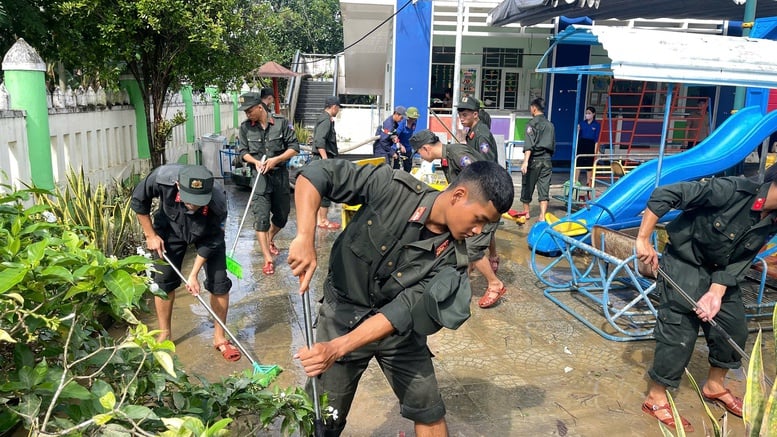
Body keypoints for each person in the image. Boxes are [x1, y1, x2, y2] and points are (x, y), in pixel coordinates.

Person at [288, 158, 514, 436]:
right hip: (341, 316)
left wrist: (337, 348)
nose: (478, 231)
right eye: (479, 219)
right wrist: (303, 236)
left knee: (430, 412)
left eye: (486, 225)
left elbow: (401, 312)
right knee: (320, 420)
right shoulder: (391, 187)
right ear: (458, 195)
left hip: (398, 333)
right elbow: (314, 174)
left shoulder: (452, 262)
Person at [636, 164, 777, 432]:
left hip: (721, 274)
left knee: (734, 327)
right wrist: (642, 239)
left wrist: (716, 292)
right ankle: (655, 397)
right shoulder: (731, 190)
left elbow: (744, 257)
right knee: (679, 332)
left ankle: (714, 386)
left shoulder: (772, 219)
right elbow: (663, 194)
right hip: (686, 262)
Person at [131, 164, 239, 362]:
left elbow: (212, 241)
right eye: (190, 201)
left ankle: (219, 336)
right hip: (169, 230)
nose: (194, 206)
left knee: (220, 283)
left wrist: (193, 274)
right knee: (163, 282)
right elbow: (139, 201)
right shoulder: (162, 178)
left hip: (207, 234)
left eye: (199, 202)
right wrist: (150, 235)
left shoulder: (218, 202)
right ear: (178, 186)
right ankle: (165, 333)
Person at [411, 129, 510, 309]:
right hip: (484, 209)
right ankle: (480, 265)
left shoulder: (457, 154)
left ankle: (495, 284)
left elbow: (480, 179)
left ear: (425, 148)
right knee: (477, 238)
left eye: (418, 152)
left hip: (486, 207)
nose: (420, 156)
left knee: (472, 248)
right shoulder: (449, 155)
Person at [237, 91, 299, 275]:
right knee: (260, 219)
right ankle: (267, 259)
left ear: (259, 107)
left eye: (249, 111)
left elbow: (294, 147)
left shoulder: (280, 123)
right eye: (245, 112)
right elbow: (242, 152)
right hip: (260, 179)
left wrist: (276, 160)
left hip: (279, 177)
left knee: (282, 216)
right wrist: (255, 162)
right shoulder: (245, 128)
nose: (247, 115)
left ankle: (270, 237)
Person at [457, 96, 501, 275]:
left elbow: (487, 162)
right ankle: (493, 256)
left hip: (486, 188)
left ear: (475, 114)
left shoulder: (481, 133)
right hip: (480, 186)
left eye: (465, 113)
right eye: (460, 113)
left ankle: (470, 269)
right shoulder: (473, 131)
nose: (461, 117)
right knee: (486, 226)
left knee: (477, 230)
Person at [518, 97, 555, 222]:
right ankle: (542, 216)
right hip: (547, 160)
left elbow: (529, 144)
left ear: (534, 108)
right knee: (544, 188)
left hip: (534, 159)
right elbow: (553, 144)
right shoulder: (550, 125)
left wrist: (525, 162)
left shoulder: (531, 124)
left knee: (527, 186)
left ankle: (526, 213)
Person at [312, 96, 342, 230]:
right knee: (326, 190)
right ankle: (323, 220)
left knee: (320, 190)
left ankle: (320, 219)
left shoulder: (324, 118)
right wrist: (325, 160)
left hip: (320, 159)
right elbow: (320, 141)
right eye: (338, 108)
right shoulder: (326, 120)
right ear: (334, 107)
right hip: (323, 159)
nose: (338, 110)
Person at [574, 106, 600, 186]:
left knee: (589, 164)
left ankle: (588, 182)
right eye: (586, 113)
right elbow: (578, 135)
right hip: (582, 143)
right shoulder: (582, 123)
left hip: (591, 144)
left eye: (589, 113)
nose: (587, 115)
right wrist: (578, 130)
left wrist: (596, 150)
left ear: (593, 114)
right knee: (579, 162)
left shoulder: (596, 125)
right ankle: (576, 181)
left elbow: (596, 139)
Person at [394, 106, 419, 172]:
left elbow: (411, 133)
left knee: (408, 167)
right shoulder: (401, 124)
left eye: (414, 118)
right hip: (399, 146)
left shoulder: (415, 122)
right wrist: (401, 145)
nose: (413, 120)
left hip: (408, 147)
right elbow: (395, 137)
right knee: (397, 167)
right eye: (411, 118)